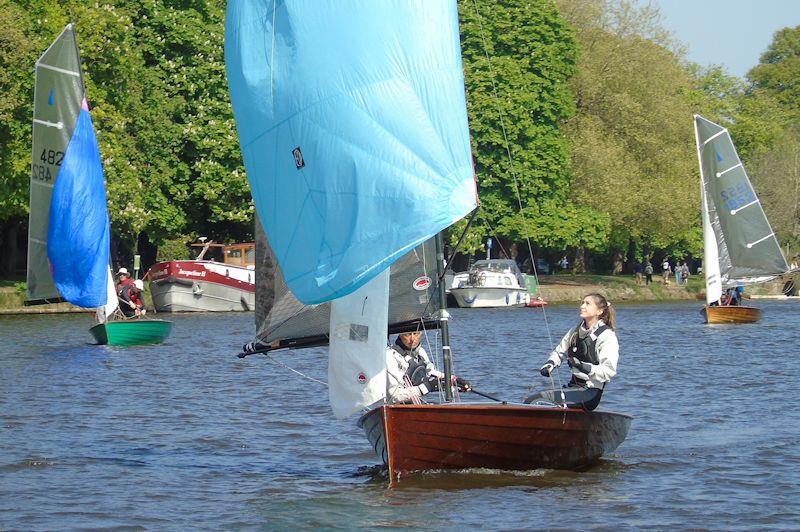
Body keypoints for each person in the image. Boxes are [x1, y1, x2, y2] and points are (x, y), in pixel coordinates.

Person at [526, 293, 619, 411]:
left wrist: (582, 366)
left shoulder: (607, 336)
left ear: (599, 311)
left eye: (587, 304)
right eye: (582, 303)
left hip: (590, 392)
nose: (582, 306)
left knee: (536, 402)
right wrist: (550, 364)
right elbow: (559, 352)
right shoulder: (575, 332)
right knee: (531, 401)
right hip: (573, 387)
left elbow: (609, 371)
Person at [385, 330, 470, 404]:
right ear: (400, 334)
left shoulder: (421, 352)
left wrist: (453, 380)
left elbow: (430, 373)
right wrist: (427, 387)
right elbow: (394, 396)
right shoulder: (390, 355)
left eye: (416, 334)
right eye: (407, 334)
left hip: (415, 404)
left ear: (421, 333)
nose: (412, 339)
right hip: (393, 408)